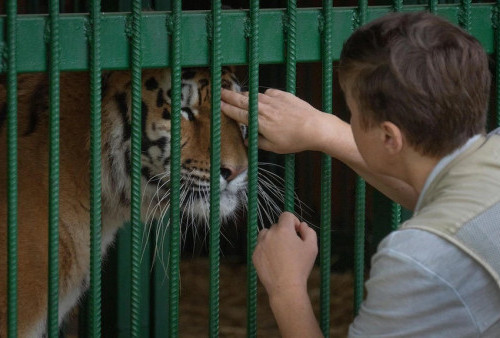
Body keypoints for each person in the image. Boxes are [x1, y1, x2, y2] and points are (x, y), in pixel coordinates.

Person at [220, 11, 500, 337]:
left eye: (350, 113)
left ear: (388, 138)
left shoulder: (416, 258)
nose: (347, 121)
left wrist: (286, 289)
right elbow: (450, 202)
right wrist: (320, 130)